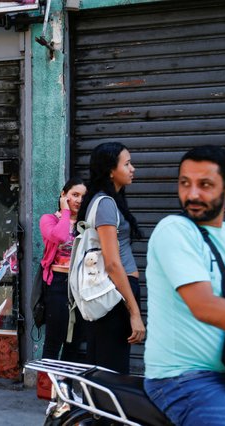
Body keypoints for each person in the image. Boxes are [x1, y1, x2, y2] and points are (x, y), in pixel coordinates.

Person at [144, 145, 225, 425]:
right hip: (182, 380)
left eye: (205, 185)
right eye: (185, 183)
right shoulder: (173, 230)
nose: (192, 194)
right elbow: (204, 306)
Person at [76, 142, 145, 374]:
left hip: (114, 292)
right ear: (110, 170)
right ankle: (104, 410)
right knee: (112, 370)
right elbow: (113, 263)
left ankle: (96, 409)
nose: (132, 168)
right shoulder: (105, 204)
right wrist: (134, 312)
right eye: (127, 164)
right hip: (116, 293)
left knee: (102, 364)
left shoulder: (106, 201)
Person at [39, 177, 87, 361]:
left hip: (81, 286)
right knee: (53, 342)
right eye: (74, 195)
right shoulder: (49, 219)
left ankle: (65, 389)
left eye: (83, 196)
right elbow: (58, 236)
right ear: (63, 195)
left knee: (73, 344)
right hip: (57, 285)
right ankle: (45, 390)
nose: (79, 200)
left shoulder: (87, 223)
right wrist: (65, 212)